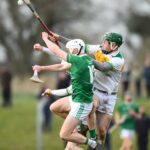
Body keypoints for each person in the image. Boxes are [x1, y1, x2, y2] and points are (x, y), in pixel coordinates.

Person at [33, 32, 125, 149]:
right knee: (86, 118)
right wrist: (59, 38)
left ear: (113, 45)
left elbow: (103, 67)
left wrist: (84, 61)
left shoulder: (119, 60)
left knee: (102, 131)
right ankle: (84, 132)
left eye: (105, 42)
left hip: (109, 96)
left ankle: (93, 142)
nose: (102, 43)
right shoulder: (98, 49)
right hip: (94, 90)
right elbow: (78, 46)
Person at [40, 34, 98, 149]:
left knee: (64, 135)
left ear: (76, 50)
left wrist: (45, 39)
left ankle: (93, 144)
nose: (68, 53)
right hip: (76, 97)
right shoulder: (87, 59)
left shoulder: (77, 61)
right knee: (53, 107)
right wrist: (52, 92)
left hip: (81, 103)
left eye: (69, 51)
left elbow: (57, 52)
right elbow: (62, 70)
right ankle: (77, 126)